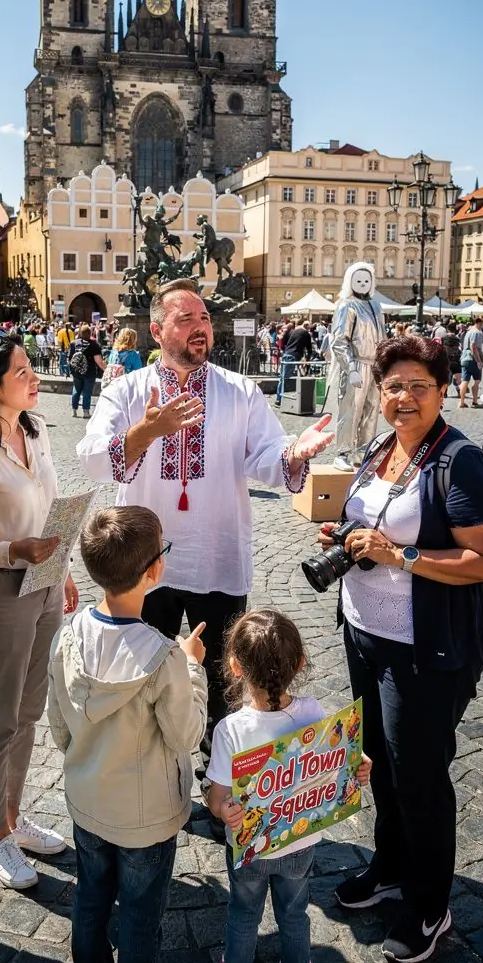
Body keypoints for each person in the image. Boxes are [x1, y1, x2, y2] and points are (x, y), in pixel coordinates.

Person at [77, 279, 335, 753]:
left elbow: (266, 453)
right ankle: (148, 772)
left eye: (204, 319)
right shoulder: (126, 391)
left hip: (216, 554)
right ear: (157, 331)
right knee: (142, 672)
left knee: (222, 680)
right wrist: (144, 432)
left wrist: (295, 451)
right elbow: (92, 457)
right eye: (186, 320)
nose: (201, 328)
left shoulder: (240, 392)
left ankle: (215, 780)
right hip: (142, 563)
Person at [317, 335, 483, 963]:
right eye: (393, 386)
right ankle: (391, 866)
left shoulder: (460, 461)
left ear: (443, 389)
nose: (403, 398)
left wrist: (399, 555)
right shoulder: (382, 449)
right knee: (379, 759)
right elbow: (373, 519)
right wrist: (345, 535)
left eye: (417, 386)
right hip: (365, 633)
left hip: (424, 649)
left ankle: (429, 902)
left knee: (421, 775)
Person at [48, 505, 208, 963]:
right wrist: (193, 667)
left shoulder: (67, 637)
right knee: (140, 912)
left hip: (87, 800)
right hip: (146, 817)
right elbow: (188, 736)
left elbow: (58, 725)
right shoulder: (164, 659)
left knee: (91, 899)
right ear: (153, 572)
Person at [0, 329, 78, 890]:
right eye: (22, 372)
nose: (34, 379)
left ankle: (13, 815)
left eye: (32, 369)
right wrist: (15, 551)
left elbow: (49, 505)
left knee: (30, 711)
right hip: (1, 588)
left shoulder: (37, 427)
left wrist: (64, 569)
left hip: (46, 581)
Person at [205, 609, 371, 963]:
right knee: (294, 912)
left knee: (244, 913)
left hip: (249, 850)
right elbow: (340, 763)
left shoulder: (232, 729)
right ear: (300, 664)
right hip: (300, 842)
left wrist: (223, 809)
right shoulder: (314, 712)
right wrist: (359, 764)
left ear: (234, 666)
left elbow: (216, 798)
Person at [328, 262, 386, 471]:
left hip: (375, 365)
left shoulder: (376, 306)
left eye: (366, 280)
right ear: (350, 282)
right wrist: (350, 367)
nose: (362, 284)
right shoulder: (346, 305)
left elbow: (383, 336)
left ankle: (363, 451)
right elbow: (339, 340)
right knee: (351, 410)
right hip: (357, 363)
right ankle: (342, 452)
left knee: (371, 411)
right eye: (358, 280)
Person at [69, 322, 105, 418]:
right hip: (89, 372)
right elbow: (98, 361)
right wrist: (106, 369)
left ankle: (74, 410)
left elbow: (70, 359)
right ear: (90, 333)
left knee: (76, 389)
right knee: (87, 392)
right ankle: (86, 412)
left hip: (76, 372)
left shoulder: (74, 344)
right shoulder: (94, 345)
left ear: (80, 333)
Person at [274, 320, 312, 407]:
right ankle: (280, 400)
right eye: (309, 327)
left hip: (287, 354)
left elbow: (284, 342)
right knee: (285, 378)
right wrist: (307, 361)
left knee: (283, 378)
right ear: (306, 326)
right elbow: (309, 349)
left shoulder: (293, 331)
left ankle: (279, 399)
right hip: (294, 356)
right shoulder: (306, 333)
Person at [458, 320, 483, 408]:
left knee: (464, 380)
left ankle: (461, 402)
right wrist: (478, 361)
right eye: (481, 324)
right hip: (472, 358)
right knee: (477, 380)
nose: (482, 326)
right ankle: (474, 401)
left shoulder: (468, 332)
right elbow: (473, 346)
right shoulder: (477, 332)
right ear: (478, 323)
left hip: (464, 358)